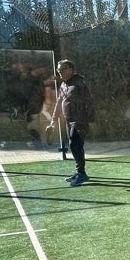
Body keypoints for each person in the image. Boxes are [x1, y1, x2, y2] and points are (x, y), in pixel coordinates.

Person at [47, 59, 95, 187]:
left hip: (80, 120)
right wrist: (53, 120)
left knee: (75, 145)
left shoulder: (80, 82)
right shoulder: (63, 84)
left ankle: (81, 174)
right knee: (74, 146)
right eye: (58, 70)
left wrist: (91, 120)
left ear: (71, 70)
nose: (59, 72)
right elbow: (58, 103)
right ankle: (79, 172)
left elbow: (89, 101)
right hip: (69, 120)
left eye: (62, 69)